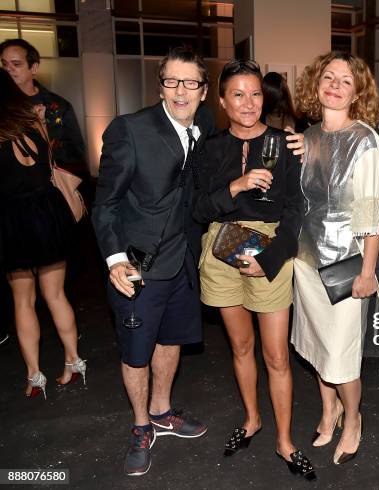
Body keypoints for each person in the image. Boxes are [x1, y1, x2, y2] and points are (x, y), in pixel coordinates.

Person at [92, 46, 213, 477]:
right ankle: (141, 425)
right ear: (160, 84)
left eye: (190, 82)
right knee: (137, 352)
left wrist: (290, 140)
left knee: (172, 339)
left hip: (182, 260)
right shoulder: (131, 129)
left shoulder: (205, 127)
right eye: (171, 81)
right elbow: (105, 203)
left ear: (203, 89)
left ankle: (162, 412)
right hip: (138, 266)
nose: (180, 91)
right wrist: (115, 259)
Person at [193, 59, 316, 480]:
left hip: (270, 250)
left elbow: (297, 210)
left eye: (256, 94)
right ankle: (251, 419)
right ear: (223, 101)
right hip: (221, 249)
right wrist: (236, 186)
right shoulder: (209, 148)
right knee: (241, 348)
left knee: (277, 355)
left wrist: (269, 258)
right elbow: (199, 208)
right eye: (238, 95)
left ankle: (284, 440)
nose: (249, 103)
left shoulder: (287, 144)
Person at [291, 51, 379, 465]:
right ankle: (328, 410)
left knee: (342, 356)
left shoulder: (365, 139)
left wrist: (368, 272)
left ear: (358, 91)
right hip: (306, 262)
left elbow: (372, 211)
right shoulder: (307, 136)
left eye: (345, 81)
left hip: (347, 268)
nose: (334, 84)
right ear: (316, 84)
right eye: (327, 77)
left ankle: (353, 419)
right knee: (316, 348)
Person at [0, 69, 85, 399]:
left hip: (11, 219)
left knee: (23, 300)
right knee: (56, 295)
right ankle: (74, 361)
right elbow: (48, 164)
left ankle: (35, 375)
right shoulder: (35, 122)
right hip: (47, 214)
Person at [0, 39, 86, 177]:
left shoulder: (59, 106)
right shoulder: (3, 105)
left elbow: (76, 152)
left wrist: (43, 137)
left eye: (16, 64)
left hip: (47, 186)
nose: (7, 69)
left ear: (33, 68)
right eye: (4, 64)